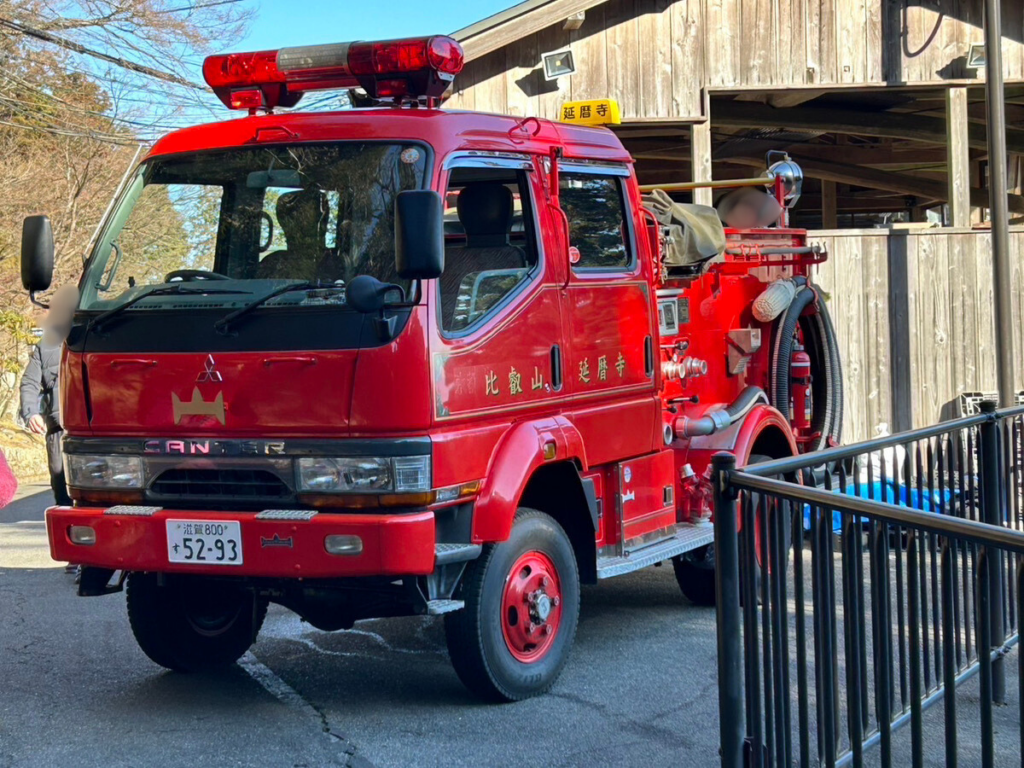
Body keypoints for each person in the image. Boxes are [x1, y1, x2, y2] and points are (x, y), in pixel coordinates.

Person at [20, 285, 78, 507]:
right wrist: (31, 413)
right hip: (57, 430)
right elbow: (29, 382)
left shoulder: (95, 341)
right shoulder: (45, 347)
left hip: (91, 432)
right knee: (60, 487)